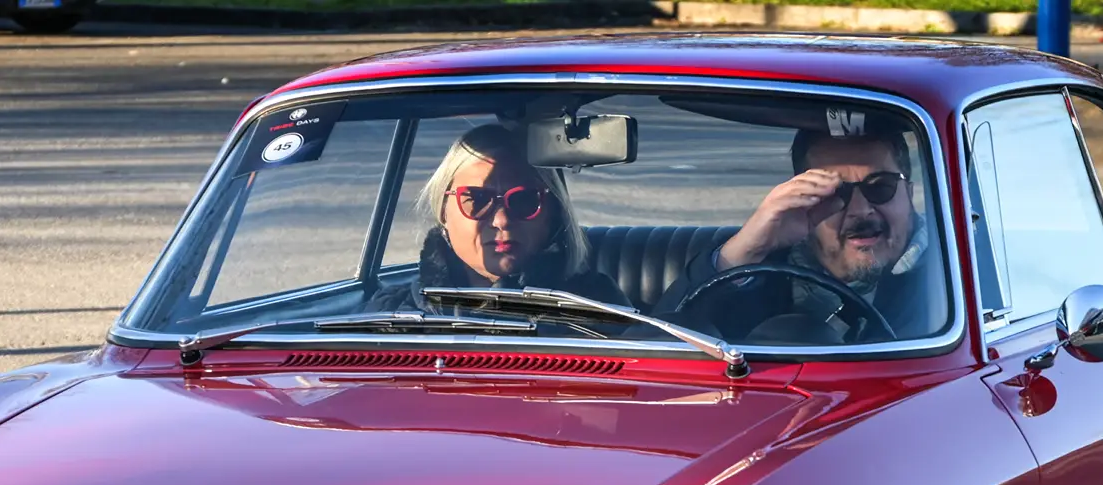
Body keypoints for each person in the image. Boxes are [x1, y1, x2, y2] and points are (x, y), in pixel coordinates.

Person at [654, 127, 940, 342]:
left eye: (880, 187)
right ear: (804, 198)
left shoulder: (952, 275)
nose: (860, 210)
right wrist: (747, 250)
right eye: (835, 192)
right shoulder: (765, 274)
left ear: (909, 193)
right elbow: (662, 343)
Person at [372, 124, 628, 311]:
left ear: (553, 213)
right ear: (443, 212)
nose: (502, 221)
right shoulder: (389, 316)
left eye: (524, 200)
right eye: (476, 199)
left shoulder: (599, 309)